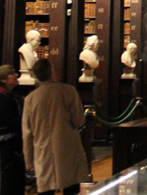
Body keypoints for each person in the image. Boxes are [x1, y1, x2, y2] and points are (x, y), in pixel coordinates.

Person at [22, 58, 89, 195]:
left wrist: (28, 159)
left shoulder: (30, 98)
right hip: (67, 147)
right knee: (71, 185)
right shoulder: (68, 91)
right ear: (52, 71)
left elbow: (27, 132)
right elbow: (79, 121)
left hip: (42, 149)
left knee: (46, 187)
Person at [0, 64, 25, 195]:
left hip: (14, 140)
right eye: (12, 73)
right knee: (8, 176)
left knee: (16, 175)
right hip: (7, 143)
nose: (16, 75)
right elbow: (11, 121)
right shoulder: (0, 98)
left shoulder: (9, 96)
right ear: (3, 79)